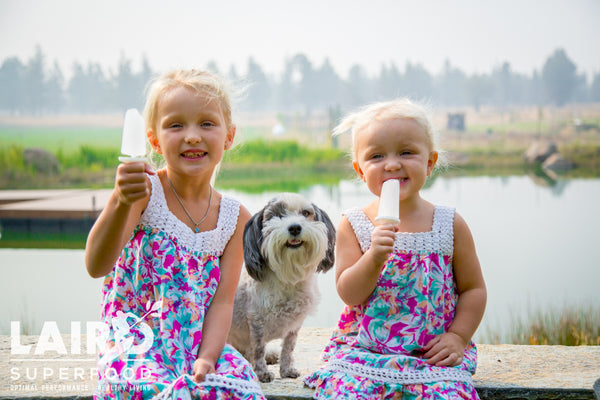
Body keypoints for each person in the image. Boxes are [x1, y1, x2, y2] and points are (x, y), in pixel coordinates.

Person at [85, 69, 265, 399]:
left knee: (239, 389)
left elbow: (223, 303)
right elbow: (96, 265)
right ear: (153, 139)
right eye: (176, 125)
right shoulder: (143, 194)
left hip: (199, 345)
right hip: (137, 344)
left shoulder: (236, 219)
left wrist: (208, 359)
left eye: (207, 124)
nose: (192, 136)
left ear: (229, 136)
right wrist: (119, 200)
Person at [303, 99, 487, 399]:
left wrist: (458, 337)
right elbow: (349, 293)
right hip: (366, 352)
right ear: (360, 170)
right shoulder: (355, 224)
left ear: (430, 161)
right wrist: (375, 256)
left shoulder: (449, 224)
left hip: (431, 357)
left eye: (406, 152)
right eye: (376, 156)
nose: (391, 164)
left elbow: (473, 289)